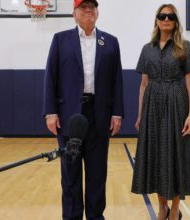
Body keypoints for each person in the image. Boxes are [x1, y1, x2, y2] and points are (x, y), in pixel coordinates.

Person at [43, 0, 124, 219]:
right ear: (74, 14)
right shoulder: (60, 40)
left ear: (97, 13)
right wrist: (50, 112)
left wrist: (117, 113)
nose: (88, 10)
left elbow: (117, 80)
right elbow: (50, 76)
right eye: (83, 7)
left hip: (99, 116)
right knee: (70, 175)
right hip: (70, 117)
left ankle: (96, 216)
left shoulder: (111, 42)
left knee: (97, 175)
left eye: (92, 7)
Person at [131, 4, 190, 220]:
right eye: (162, 16)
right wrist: (140, 115)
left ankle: (174, 210)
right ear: (156, 20)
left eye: (170, 16)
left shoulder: (185, 47)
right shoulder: (147, 49)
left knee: (176, 156)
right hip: (153, 106)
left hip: (177, 104)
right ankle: (161, 207)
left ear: (175, 21)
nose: (166, 19)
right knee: (156, 155)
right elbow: (144, 84)